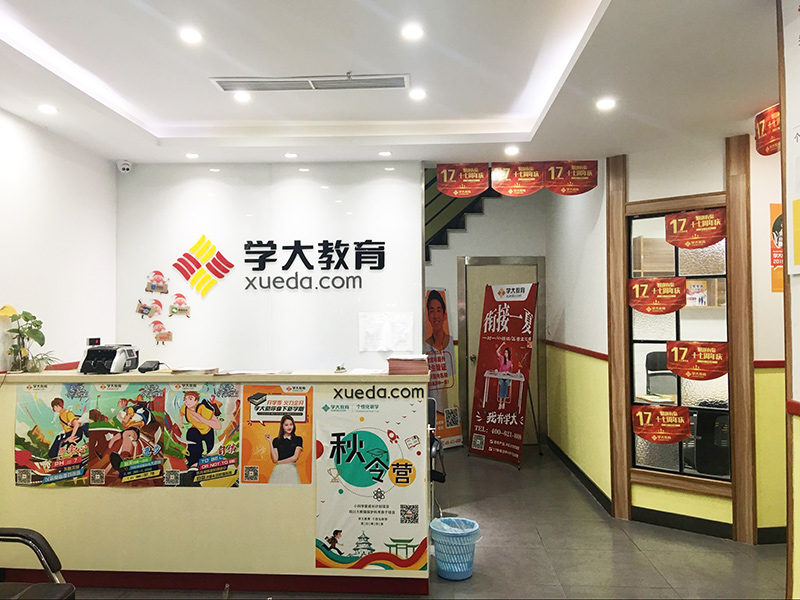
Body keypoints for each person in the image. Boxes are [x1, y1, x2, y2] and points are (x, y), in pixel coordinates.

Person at [179, 391, 222, 477]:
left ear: (196, 400)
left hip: (207, 431)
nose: (187, 401)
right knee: (191, 434)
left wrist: (201, 418)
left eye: (190, 399)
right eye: (185, 399)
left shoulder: (202, 408)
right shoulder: (185, 408)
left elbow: (218, 426)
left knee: (210, 450)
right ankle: (193, 463)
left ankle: (209, 466)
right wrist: (181, 423)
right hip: (196, 430)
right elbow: (181, 413)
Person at [265, 414, 303, 484]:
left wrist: (279, 462)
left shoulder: (298, 439)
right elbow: (275, 459)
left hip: (291, 469)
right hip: (278, 470)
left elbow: (295, 457)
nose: (289, 427)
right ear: (282, 426)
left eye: (291, 424)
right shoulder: (276, 441)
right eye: (286, 425)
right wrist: (270, 442)